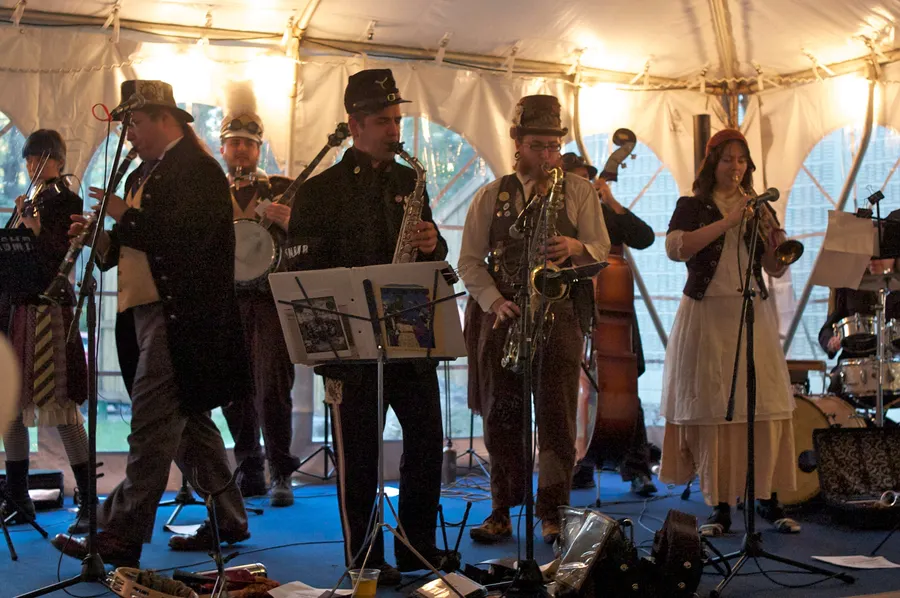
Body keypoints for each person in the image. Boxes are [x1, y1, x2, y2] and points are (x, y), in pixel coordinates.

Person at [51, 80, 252, 567]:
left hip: (181, 317)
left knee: (150, 427)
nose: (130, 134)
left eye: (135, 123)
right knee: (191, 429)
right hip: (145, 314)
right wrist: (98, 237)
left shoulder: (200, 171)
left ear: (167, 119)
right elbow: (124, 254)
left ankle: (116, 532)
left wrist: (124, 218)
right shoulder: (141, 175)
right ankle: (229, 517)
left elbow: (189, 242)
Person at [285, 69, 450, 585]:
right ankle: (365, 561)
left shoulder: (408, 180)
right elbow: (300, 272)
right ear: (354, 125)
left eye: (398, 120)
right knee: (358, 459)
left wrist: (432, 244)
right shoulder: (319, 192)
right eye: (384, 121)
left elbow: (436, 250)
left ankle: (417, 550)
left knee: (426, 444)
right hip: (352, 348)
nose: (395, 130)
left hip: (408, 335)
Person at [459, 96, 611, 544]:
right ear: (518, 144)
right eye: (538, 146)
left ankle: (553, 511)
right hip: (505, 314)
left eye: (554, 146)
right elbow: (469, 261)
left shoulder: (580, 191)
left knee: (557, 416)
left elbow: (601, 250)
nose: (548, 156)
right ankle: (501, 509)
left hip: (559, 314)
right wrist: (492, 301)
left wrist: (575, 247)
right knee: (501, 415)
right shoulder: (490, 195)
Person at [658, 128, 801, 537]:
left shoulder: (758, 207)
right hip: (707, 314)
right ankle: (721, 506)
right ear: (712, 164)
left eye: (742, 160)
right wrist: (728, 222)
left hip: (751, 310)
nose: (735, 167)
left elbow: (774, 268)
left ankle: (767, 498)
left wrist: (776, 244)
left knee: (762, 403)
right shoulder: (693, 204)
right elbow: (675, 249)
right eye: (727, 160)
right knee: (719, 405)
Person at [0, 130, 92, 535]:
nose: (34, 166)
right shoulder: (29, 203)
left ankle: (90, 500)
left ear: (58, 160)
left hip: (51, 311)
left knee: (62, 404)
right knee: (11, 405)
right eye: (30, 159)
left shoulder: (67, 201)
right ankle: (18, 498)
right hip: (17, 309)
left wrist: (34, 229)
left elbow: (61, 258)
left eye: (42, 158)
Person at [559, 152, 659, 497]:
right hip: (573, 310)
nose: (582, 183)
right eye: (576, 177)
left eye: (587, 177)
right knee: (577, 390)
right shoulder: (558, 217)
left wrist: (612, 200)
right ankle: (583, 461)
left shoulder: (603, 212)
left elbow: (644, 237)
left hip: (615, 319)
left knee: (625, 391)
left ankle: (637, 466)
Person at [219, 83, 299, 506]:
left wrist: (290, 222)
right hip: (228, 301)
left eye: (247, 144)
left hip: (270, 301)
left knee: (272, 388)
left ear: (259, 148)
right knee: (234, 389)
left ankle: (281, 471)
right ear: (222, 148)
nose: (240, 150)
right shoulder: (210, 194)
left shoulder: (283, 189)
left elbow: (309, 242)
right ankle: (250, 467)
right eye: (232, 143)